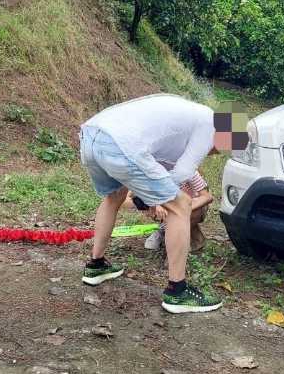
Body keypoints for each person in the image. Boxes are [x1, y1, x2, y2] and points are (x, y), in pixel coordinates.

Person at [78, 93, 234, 313]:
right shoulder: (210, 124)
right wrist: (151, 198)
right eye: (218, 149)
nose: (213, 153)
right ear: (224, 134)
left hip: (91, 135)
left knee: (114, 197)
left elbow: (156, 163)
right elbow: (183, 171)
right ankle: (177, 292)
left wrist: (149, 196)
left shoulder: (188, 115)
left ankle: (96, 266)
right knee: (181, 205)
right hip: (122, 144)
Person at [136, 168, 213, 254]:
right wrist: (156, 204)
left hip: (194, 205)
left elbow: (207, 197)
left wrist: (183, 209)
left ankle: (176, 244)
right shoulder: (155, 172)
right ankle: (165, 229)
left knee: (182, 216)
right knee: (153, 207)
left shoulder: (188, 170)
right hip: (173, 205)